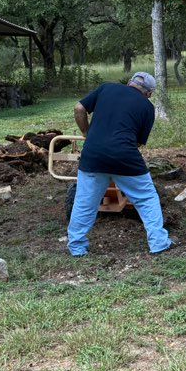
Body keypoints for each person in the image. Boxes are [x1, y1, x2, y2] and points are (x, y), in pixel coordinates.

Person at [67, 72, 174, 256]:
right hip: (125, 157)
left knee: (84, 202)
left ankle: (77, 248)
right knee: (146, 197)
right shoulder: (147, 108)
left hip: (93, 155)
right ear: (149, 93)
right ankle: (159, 244)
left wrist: (87, 134)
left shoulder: (106, 88)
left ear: (129, 82)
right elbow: (138, 143)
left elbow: (79, 108)